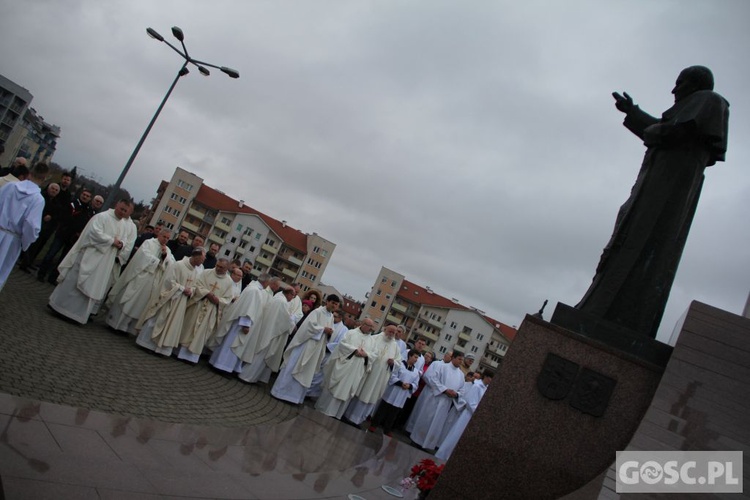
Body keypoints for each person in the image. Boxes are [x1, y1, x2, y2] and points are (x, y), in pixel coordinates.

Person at [575, 66, 730, 338]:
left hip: (666, 192)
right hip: (653, 186)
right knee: (626, 238)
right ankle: (598, 309)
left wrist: (652, 127)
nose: (674, 90)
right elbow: (665, 129)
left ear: (696, 85)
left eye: (679, 83)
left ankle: (613, 317)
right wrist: (632, 112)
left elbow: (671, 132)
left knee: (641, 243)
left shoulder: (710, 101)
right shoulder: (691, 113)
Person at [49, 199, 137, 324]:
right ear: (116, 205)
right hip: (90, 255)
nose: (122, 212)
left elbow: (124, 241)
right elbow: (94, 233)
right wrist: (111, 241)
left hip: (105, 261)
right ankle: (60, 307)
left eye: (125, 210)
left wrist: (121, 244)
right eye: (121, 208)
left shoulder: (123, 224)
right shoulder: (102, 217)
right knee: (75, 281)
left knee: (93, 285)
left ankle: (77, 315)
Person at [271, 295, 341, 404]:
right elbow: (308, 327)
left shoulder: (331, 316)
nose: (334, 306)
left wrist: (329, 332)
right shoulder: (317, 312)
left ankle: (294, 398)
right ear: (327, 302)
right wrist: (323, 329)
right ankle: (280, 393)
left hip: (316, 349)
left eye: (336, 304)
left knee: (306, 372)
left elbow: (328, 332)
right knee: (294, 367)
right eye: (332, 303)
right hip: (306, 345)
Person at [135, 247, 205, 355]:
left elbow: (195, 286)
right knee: (158, 319)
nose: (202, 261)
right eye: (202, 259)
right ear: (196, 256)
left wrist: (191, 290)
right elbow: (169, 281)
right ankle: (146, 343)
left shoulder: (196, 272)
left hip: (180, 302)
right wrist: (182, 288)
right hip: (169, 299)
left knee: (172, 324)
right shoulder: (178, 265)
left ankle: (161, 348)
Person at [105, 230, 174, 334]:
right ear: (159, 235)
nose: (166, 239)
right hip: (141, 276)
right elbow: (143, 256)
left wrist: (164, 256)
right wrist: (158, 261)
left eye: (168, 238)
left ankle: (127, 328)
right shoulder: (149, 243)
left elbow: (171, 264)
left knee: (140, 305)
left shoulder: (167, 250)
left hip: (152, 281)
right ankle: (114, 323)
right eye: (164, 236)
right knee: (129, 300)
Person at [209, 273, 277, 373]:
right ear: (266, 281)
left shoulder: (253, 287)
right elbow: (248, 309)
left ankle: (217, 362)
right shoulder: (255, 291)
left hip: (238, 322)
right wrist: (246, 325)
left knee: (228, 344)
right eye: (268, 282)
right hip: (240, 324)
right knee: (231, 345)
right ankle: (221, 366)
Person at [0, 162, 48, 293]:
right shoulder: (38, 199)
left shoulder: (10, 186)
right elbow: (32, 225)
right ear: (44, 179)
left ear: (30, 173)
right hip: (12, 239)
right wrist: (25, 243)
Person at [315, 318, 377, 418]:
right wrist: (354, 350)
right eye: (369, 326)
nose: (371, 329)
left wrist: (366, 354)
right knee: (335, 387)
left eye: (372, 327)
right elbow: (342, 345)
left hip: (357, 370)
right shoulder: (351, 333)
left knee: (347, 390)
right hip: (345, 365)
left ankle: (336, 414)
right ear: (362, 324)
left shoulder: (372, 340)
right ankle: (323, 409)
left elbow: (374, 355)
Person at [177, 258, 235, 363]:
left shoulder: (229, 282)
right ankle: (180, 353)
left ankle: (192, 358)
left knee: (201, 333)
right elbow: (197, 285)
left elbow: (228, 299)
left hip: (211, 310)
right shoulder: (207, 272)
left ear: (227, 268)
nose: (218, 268)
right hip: (199, 304)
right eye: (217, 265)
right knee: (189, 328)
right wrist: (207, 293)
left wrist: (218, 300)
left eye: (221, 267)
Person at [342, 324, 402, 425]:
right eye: (390, 331)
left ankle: (358, 420)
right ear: (384, 329)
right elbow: (367, 352)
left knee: (371, 397)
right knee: (360, 393)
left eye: (393, 332)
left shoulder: (395, 346)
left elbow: (399, 362)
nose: (391, 334)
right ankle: (347, 415)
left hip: (381, 377)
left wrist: (393, 363)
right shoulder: (374, 339)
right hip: (369, 372)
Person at [236, 285, 296, 384]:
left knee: (259, 354)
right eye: (293, 295)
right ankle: (246, 376)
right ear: (289, 294)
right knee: (260, 355)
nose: (293, 298)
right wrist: (292, 324)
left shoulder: (278, 297)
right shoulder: (282, 302)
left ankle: (251, 376)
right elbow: (285, 320)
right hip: (271, 332)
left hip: (267, 329)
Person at [409, 351, 466, 450]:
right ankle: (416, 440)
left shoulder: (461, 375)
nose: (461, 362)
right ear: (453, 358)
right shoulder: (442, 367)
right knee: (426, 420)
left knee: (436, 425)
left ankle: (427, 444)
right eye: (459, 359)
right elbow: (433, 379)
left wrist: (456, 394)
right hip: (435, 398)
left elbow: (462, 389)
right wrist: (444, 390)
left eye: (462, 360)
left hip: (446, 403)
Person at [36, 189, 95, 284]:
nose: (85, 197)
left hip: (73, 239)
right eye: (84, 194)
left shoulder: (89, 211)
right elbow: (65, 217)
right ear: (81, 194)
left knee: (63, 259)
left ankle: (53, 277)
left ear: (90, 198)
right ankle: (41, 274)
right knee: (51, 254)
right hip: (62, 234)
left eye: (87, 196)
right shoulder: (72, 204)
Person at [435, 372, 492, 460]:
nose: (491, 381)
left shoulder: (485, 388)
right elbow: (471, 402)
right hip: (468, 415)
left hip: (474, 416)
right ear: (486, 377)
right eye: (491, 378)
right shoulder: (477, 386)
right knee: (456, 434)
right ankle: (444, 455)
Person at [368, 349, 421, 437]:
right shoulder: (399, 365)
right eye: (415, 357)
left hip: (402, 395)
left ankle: (387, 429)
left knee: (394, 414)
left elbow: (416, 384)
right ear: (410, 356)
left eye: (417, 358)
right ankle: (374, 425)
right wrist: (401, 383)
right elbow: (392, 375)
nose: (416, 359)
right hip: (393, 391)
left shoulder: (416, 372)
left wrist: (409, 386)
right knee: (383, 409)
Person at [306, 309, 350, 398]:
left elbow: (341, 343)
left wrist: (327, 346)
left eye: (335, 316)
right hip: (318, 349)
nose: (333, 317)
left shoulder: (344, 330)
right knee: (311, 369)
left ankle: (309, 393)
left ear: (341, 318)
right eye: (333, 315)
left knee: (320, 374)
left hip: (328, 353)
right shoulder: (328, 323)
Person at [19, 183, 61, 271]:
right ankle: (23, 262)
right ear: (48, 188)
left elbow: (57, 213)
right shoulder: (41, 197)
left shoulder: (56, 202)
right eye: (52, 188)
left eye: (56, 190)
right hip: (36, 222)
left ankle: (28, 262)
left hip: (46, 227)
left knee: (37, 246)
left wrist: (51, 216)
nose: (54, 191)